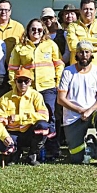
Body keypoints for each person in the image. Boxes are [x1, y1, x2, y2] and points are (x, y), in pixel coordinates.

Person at [8, 17, 64, 160]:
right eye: (33, 29)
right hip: (29, 89)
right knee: (29, 117)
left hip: (48, 87)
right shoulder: (20, 48)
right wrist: (16, 86)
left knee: (50, 117)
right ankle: (32, 148)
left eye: (39, 29)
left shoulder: (50, 45)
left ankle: (52, 149)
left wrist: (58, 84)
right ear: (28, 31)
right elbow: (13, 69)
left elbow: (58, 64)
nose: (36, 32)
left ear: (44, 31)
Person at [57, 41, 97, 167]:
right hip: (73, 116)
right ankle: (90, 144)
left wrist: (89, 110)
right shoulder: (67, 72)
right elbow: (60, 99)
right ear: (76, 54)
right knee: (77, 159)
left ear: (91, 54)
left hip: (92, 112)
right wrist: (80, 111)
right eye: (81, 52)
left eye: (87, 52)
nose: (84, 55)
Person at [0, 70, 53, 165]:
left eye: (26, 81)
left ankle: (33, 154)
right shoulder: (5, 98)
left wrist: (19, 118)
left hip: (30, 133)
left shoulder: (36, 96)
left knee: (43, 126)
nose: (23, 84)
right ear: (15, 81)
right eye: (20, 81)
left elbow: (44, 116)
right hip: (13, 134)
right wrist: (5, 137)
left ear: (30, 82)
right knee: (3, 146)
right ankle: (15, 153)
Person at [65, 0, 97, 109]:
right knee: (79, 107)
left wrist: (84, 41)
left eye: (91, 9)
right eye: (85, 9)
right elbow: (73, 47)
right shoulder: (72, 26)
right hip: (78, 73)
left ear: (95, 11)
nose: (88, 12)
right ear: (80, 11)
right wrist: (96, 46)